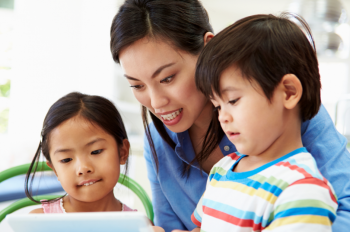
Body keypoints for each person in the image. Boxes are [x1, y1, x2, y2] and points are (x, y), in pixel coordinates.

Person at [110, 1, 350, 231]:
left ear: (207, 48)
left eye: (167, 78)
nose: (156, 102)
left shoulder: (287, 111)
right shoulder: (163, 145)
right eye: (137, 86)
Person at [174, 13, 338, 232]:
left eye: (233, 100)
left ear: (288, 92)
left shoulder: (302, 191)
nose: (222, 117)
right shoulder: (223, 170)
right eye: (218, 106)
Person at [25, 92, 164, 232]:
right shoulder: (39, 223)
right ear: (55, 170)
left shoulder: (139, 226)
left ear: (122, 152)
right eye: (66, 159)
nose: (83, 168)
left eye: (96, 151)